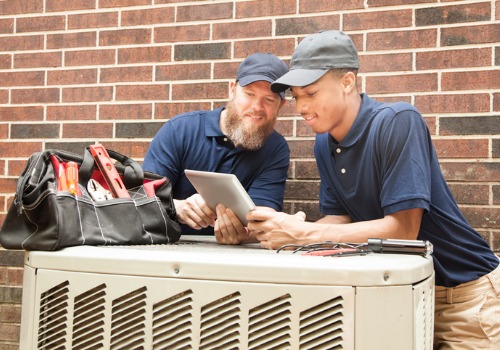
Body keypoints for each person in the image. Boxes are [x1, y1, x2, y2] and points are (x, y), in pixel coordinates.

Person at [247, 30, 500, 349]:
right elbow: (339, 219)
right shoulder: (324, 142)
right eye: (297, 96)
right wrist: (287, 227)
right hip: (404, 292)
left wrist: (305, 235)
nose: (300, 107)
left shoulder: (397, 121)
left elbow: (404, 229)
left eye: (311, 93)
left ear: (347, 82)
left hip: (464, 295)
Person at [143, 53, 290, 245]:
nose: (257, 107)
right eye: (249, 94)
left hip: (231, 258)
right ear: (232, 90)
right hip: (164, 245)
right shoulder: (180, 130)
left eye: (269, 100)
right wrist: (175, 207)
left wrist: (245, 235)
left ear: (281, 106)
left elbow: (264, 218)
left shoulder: (275, 149)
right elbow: (140, 194)